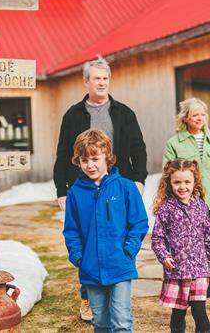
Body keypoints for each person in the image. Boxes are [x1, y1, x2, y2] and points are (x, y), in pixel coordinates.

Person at [54, 55, 148, 321]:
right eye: (96, 78)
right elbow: (63, 153)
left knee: (114, 232)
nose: (102, 83)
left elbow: (138, 147)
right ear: (86, 81)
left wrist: (139, 178)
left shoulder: (123, 113)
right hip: (83, 186)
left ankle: (116, 294)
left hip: (119, 183)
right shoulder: (73, 115)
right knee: (88, 235)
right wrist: (62, 188)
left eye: (106, 78)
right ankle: (89, 297)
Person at [63, 130, 149, 332]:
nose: (90, 165)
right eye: (84, 160)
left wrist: (128, 250)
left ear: (107, 157)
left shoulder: (126, 187)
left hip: (120, 264)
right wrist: (79, 257)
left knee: (121, 320)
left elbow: (139, 223)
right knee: (100, 321)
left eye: (95, 158)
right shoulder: (75, 193)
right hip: (90, 268)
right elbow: (71, 230)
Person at [162, 97, 210, 311]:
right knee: (187, 249)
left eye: (202, 114)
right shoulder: (174, 143)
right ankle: (189, 294)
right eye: (195, 114)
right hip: (185, 205)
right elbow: (167, 174)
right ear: (186, 118)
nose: (200, 118)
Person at [151, 159, 210, 333]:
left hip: (199, 268)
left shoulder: (200, 206)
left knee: (199, 310)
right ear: (169, 183)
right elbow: (157, 238)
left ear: (194, 182)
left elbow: (209, 237)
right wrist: (164, 256)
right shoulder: (166, 209)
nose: (182, 186)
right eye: (177, 182)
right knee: (179, 311)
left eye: (187, 182)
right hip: (177, 270)